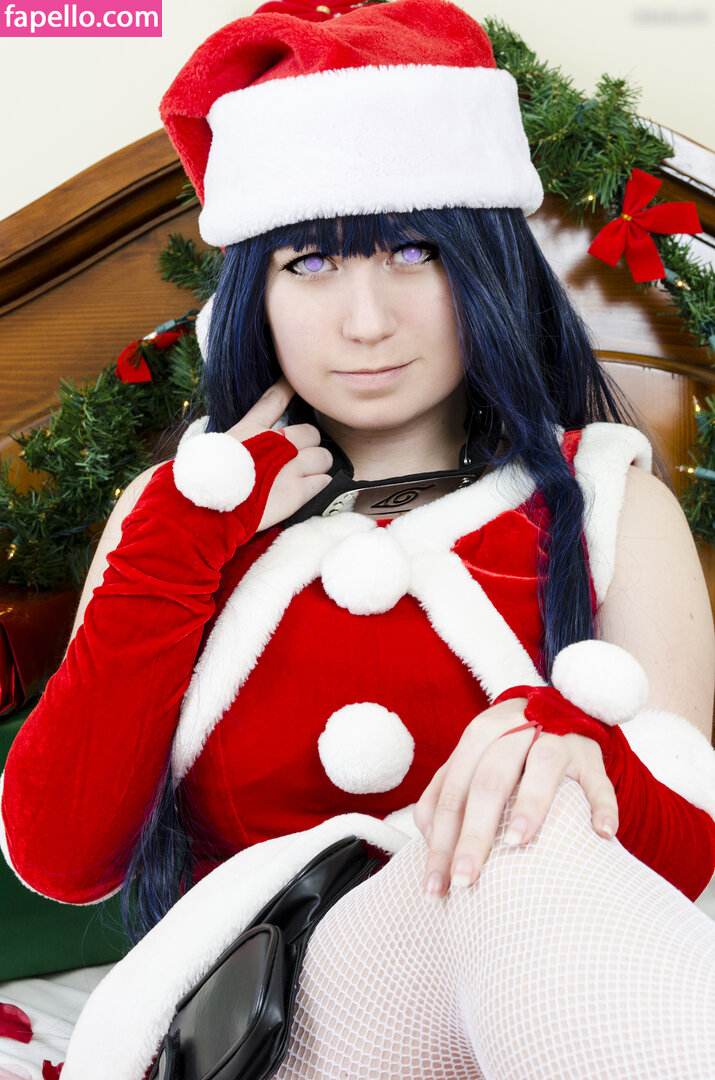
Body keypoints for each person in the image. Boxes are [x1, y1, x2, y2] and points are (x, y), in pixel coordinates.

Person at [2, 1, 715, 1077]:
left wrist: (577, 754)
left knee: (533, 805)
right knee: (515, 830)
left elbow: (685, 869)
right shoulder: (173, 516)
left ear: (485, 268)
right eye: (310, 263)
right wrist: (180, 541)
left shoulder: (605, 500)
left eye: (413, 253)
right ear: (251, 291)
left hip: (542, 1008)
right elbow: (64, 854)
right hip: (255, 1030)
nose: (366, 320)